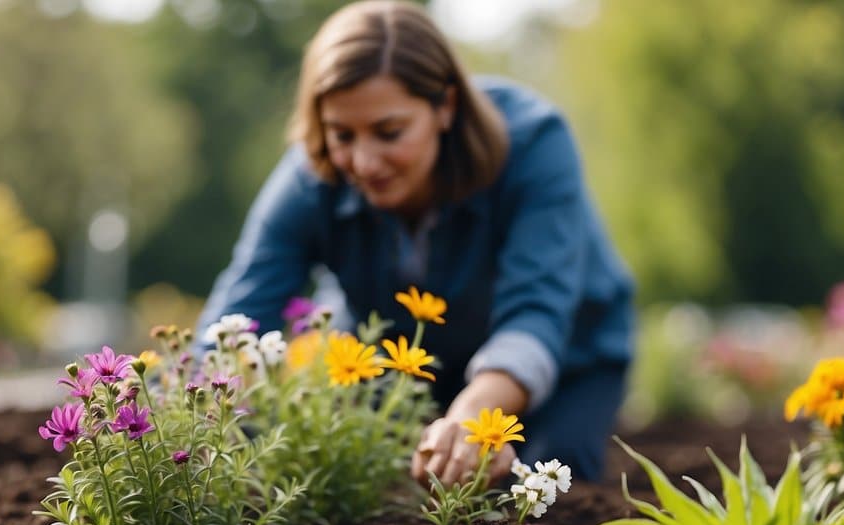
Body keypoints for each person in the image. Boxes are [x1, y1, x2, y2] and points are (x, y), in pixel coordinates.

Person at [196, 0, 635, 486]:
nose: (363, 162)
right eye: (342, 134)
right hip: (410, 369)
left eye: (389, 132)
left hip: (568, 359)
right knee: (353, 489)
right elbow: (237, 316)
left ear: (445, 106)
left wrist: (473, 413)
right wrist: (178, 413)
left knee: (540, 487)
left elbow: (537, 310)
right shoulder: (309, 179)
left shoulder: (533, 146)